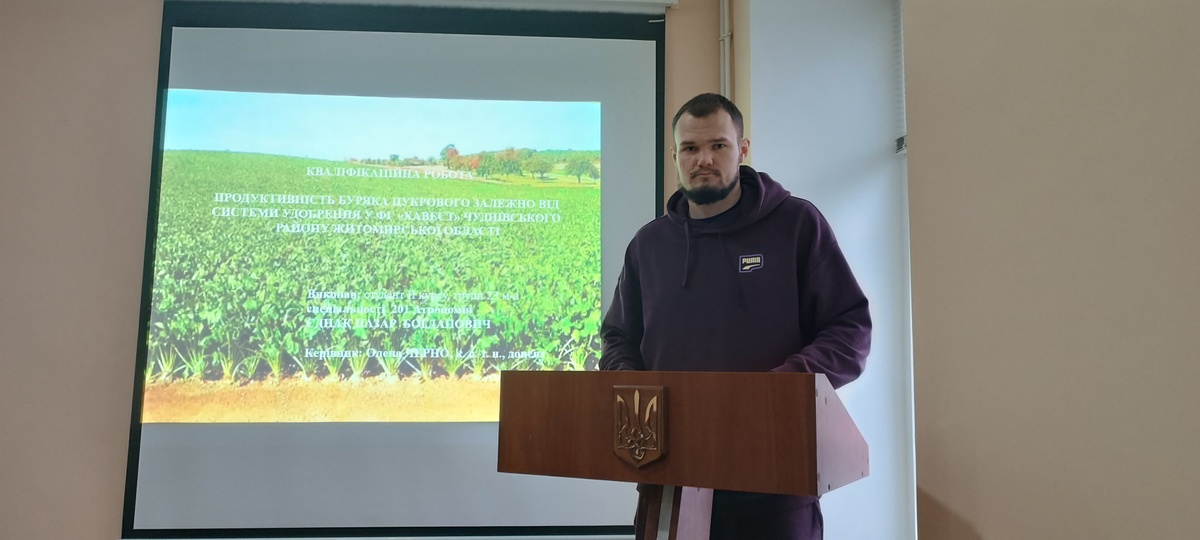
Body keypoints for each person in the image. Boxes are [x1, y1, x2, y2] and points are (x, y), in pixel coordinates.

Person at [599, 93, 872, 540]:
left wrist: (778, 390)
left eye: (718, 146)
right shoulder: (649, 245)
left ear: (742, 150)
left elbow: (849, 328)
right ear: (675, 156)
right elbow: (617, 338)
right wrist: (633, 393)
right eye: (690, 148)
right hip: (668, 480)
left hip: (774, 480)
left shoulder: (796, 224)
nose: (703, 159)